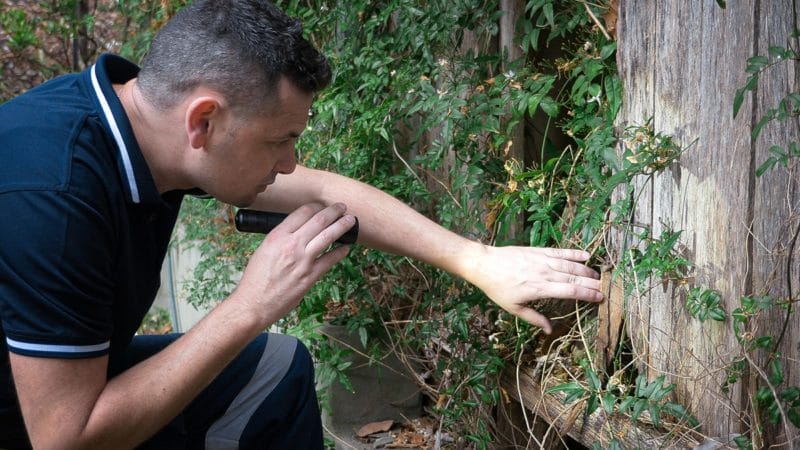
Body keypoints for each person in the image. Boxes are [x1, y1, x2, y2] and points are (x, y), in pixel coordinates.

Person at [0, 0, 604, 448]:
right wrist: (249, 305)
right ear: (203, 120)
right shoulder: (53, 197)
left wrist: (476, 261)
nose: (289, 162)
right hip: (40, 421)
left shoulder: (144, 125)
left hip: (59, 392)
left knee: (275, 370)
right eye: (281, 140)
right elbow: (64, 439)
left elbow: (321, 192)